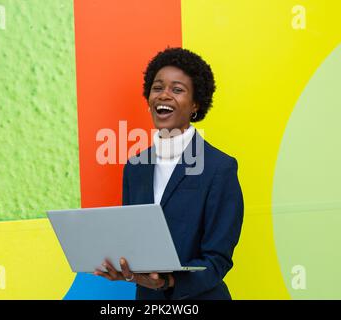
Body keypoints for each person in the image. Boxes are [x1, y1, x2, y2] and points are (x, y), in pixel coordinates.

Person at [94, 47, 244, 300]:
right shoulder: (134, 168)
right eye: (158, 87)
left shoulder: (220, 168)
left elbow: (217, 260)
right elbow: (134, 242)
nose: (164, 95)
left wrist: (168, 281)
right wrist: (125, 269)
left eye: (177, 89)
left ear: (195, 104)